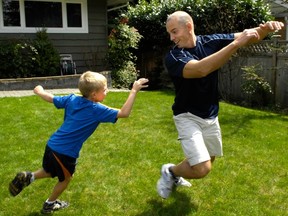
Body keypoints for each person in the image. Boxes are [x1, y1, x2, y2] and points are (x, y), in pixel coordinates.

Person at [156, 11, 284, 199]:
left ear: (189, 26)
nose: (171, 37)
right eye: (170, 33)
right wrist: (235, 45)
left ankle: (173, 173)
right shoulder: (174, 56)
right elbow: (201, 69)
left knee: (210, 157)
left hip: (210, 114)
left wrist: (264, 29)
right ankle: (170, 171)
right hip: (187, 115)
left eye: (174, 32)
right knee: (202, 168)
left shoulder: (209, 41)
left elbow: (248, 36)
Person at [9, 71, 148, 214]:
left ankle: (28, 177)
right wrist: (133, 90)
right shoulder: (96, 109)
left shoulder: (72, 99)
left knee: (51, 171)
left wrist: (40, 91)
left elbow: (52, 99)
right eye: (105, 89)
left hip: (52, 145)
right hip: (65, 152)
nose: (107, 91)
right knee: (66, 179)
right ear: (94, 94)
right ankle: (49, 204)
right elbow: (124, 113)